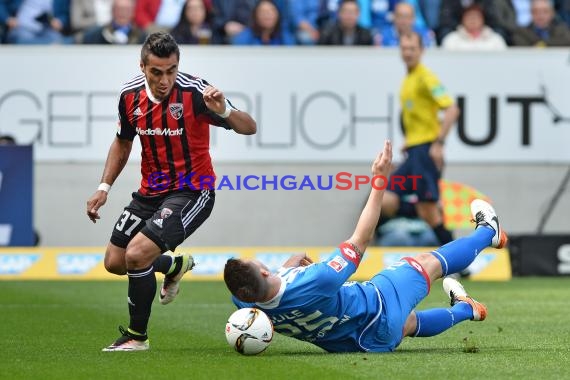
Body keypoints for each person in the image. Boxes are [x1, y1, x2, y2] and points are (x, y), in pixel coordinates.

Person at [224, 140, 508, 353]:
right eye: (258, 264)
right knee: (426, 263)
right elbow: (361, 239)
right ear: (262, 273)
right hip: (377, 306)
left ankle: (466, 310)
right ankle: (488, 233)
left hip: (359, 343)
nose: (263, 265)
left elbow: (270, 292)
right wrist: (379, 180)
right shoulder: (319, 278)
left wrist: (288, 266)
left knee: (407, 324)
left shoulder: (245, 300)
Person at [86, 31, 257, 351]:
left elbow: (249, 126)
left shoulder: (196, 93)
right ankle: (173, 266)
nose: (165, 80)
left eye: (171, 70)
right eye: (156, 72)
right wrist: (104, 186)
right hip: (150, 193)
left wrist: (223, 111)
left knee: (137, 255)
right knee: (115, 261)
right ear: (142, 67)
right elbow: (123, 141)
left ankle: (137, 337)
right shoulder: (128, 96)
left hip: (193, 191)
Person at [382, 31, 460, 247]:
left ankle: (459, 264)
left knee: (430, 213)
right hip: (414, 151)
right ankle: (422, 207)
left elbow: (452, 109)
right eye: (404, 49)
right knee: (386, 198)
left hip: (424, 152)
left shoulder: (426, 77)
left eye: (412, 49)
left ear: (422, 50)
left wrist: (438, 143)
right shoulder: (409, 78)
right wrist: (410, 141)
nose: (408, 53)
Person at [441, 3, 507, 50]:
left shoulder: (496, 39)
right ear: (462, 20)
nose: (473, 20)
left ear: (483, 20)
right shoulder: (451, 39)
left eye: (476, 17)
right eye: (469, 17)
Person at [80, 0, 146, 44]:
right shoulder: (97, 34)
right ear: (112, 11)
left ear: (133, 12)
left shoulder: (142, 36)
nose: (123, 13)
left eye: (127, 10)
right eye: (119, 9)